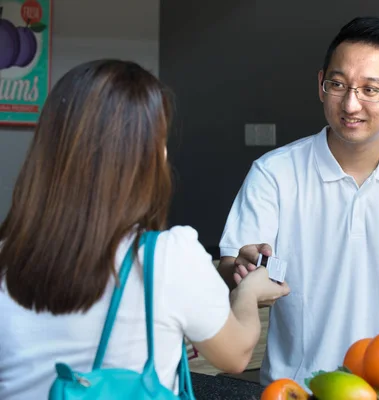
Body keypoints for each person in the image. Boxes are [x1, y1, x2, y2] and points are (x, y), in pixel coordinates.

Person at [0, 59, 289, 400]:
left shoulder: (8, 250)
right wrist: (248, 294)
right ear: (145, 156)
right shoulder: (167, 255)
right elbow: (236, 354)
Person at [217, 16, 379, 387]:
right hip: (294, 390)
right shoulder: (274, 173)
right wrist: (242, 269)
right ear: (321, 85)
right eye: (338, 85)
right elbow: (230, 265)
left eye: (370, 90)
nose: (351, 104)